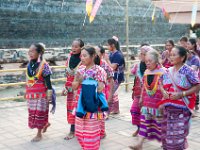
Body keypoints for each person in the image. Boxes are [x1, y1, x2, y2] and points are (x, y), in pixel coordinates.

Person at [158, 46, 200, 150]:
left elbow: (197, 85)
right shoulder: (167, 71)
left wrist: (182, 94)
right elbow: (160, 83)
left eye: (174, 55)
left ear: (182, 58)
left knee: (177, 138)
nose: (171, 57)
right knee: (166, 137)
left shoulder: (188, 71)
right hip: (167, 111)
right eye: (170, 55)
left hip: (182, 111)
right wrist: (163, 91)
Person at [129, 49, 165, 150]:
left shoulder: (163, 72)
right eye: (146, 61)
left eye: (150, 61)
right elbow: (144, 86)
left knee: (160, 124)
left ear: (156, 61)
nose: (148, 63)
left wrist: (163, 101)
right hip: (147, 103)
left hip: (158, 103)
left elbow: (166, 88)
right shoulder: (146, 72)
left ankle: (164, 142)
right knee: (144, 122)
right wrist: (141, 98)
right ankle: (139, 144)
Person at [73, 46, 107, 150]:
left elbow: (100, 88)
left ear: (93, 56)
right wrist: (79, 81)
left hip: (93, 106)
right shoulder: (80, 69)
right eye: (81, 56)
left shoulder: (99, 71)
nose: (82, 58)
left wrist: (87, 81)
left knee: (91, 135)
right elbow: (74, 86)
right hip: (80, 105)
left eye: (84, 55)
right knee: (79, 133)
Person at [25, 43, 53, 142]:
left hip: (41, 95)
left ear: (39, 52)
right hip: (31, 94)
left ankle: (39, 134)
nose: (30, 53)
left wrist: (49, 95)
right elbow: (28, 80)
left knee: (40, 113)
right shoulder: (30, 64)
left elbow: (48, 82)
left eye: (32, 51)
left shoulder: (44, 65)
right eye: (29, 51)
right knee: (33, 113)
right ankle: (46, 123)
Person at [62, 38, 84, 140]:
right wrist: (65, 87)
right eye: (72, 46)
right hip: (70, 88)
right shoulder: (69, 57)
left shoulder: (84, 59)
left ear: (81, 48)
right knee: (70, 109)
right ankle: (73, 130)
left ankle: (74, 131)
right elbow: (67, 75)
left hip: (80, 89)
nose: (73, 48)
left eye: (76, 46)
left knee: (78, 109)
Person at [130, 45, 153, 137]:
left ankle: (147, 130)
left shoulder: (153, 66)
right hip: (138, 93)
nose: (141, 55)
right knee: (134, 110)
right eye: (141, 53)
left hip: (149, 95)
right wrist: (133, 90)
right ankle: (139, 128)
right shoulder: (137, 65)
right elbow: (135, 76)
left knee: (146, 114)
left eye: (144, 54)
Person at [95, 45, 114, 139]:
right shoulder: (87, 64)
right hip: (91, 94)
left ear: (101, 54)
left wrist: (110, 96)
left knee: (99, 113)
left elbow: (111, 79)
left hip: (102, 92)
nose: (94, 53)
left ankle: (102, 132)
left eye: (96, 52)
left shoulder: (104, 64)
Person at [105, 36, 125, 114]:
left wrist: (106, 59)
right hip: (113, 77)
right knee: (113, 92)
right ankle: (116, 109)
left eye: (108, 45)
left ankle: (107, 112)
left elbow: (112, 67)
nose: (107, 47)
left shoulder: (118, 55)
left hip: (116, 77)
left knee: (110, 92)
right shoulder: (112, 54)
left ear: (112, 45)